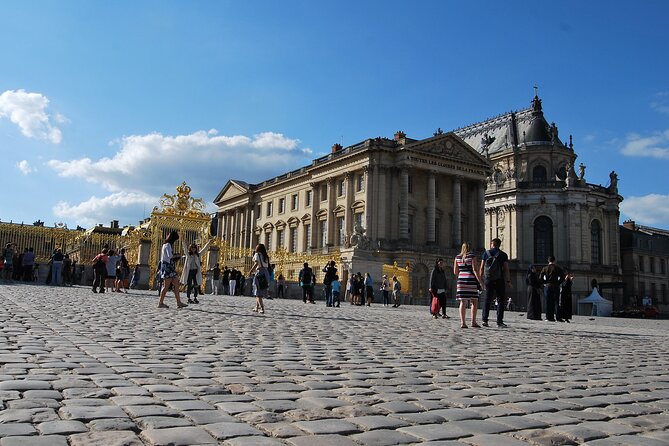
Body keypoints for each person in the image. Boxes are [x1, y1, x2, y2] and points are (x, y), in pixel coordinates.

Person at [479, 238, 512, 327]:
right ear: (499, 245)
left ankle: (485, 320)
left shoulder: (486, 253)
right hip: (499, 279)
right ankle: (499, 321)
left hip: (488, 279)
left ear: (492, 244)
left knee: (487, 299)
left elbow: (481, 267)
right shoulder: (503, 255)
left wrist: (480, 280)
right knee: (501, 300)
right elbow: (506, 269)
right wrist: (508, 281)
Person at [453, 243, 482, 328]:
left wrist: (462, 273)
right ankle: (473, 321)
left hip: (461, 280)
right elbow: (475, 269)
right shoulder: (472, 256)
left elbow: (455, 272)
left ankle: (463, 322)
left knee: (462, 301)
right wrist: (480, 281)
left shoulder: (457, 257)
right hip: (471, 279)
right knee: (474, 301)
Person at [158, 231, 187, 309]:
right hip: (168, 267)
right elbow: (170, 256)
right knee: (166, 286)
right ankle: (160, 303)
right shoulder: (168, 245)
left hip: (168, 267)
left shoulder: (165, 245)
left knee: (176, 284)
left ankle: (179, 302)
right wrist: (177, 255)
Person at [180, 239, 213, 304]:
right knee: (189, 285)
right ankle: (188, 298)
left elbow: (204, 249)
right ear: (190, 248)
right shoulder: (188, 255)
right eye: (192, 248)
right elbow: (185, 249)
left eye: (194, 248)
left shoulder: (198, 255)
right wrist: (183, 242)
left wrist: (208, 243)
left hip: (196, 272)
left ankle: (195, 297)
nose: (193, 249)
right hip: (189, 272)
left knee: (196, 285)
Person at [540, 256, 564, 322]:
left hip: (548, 286)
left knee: (548, 302)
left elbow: (540, 278)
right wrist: (558, 282)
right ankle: (558, 317)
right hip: (555, 286)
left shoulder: (545, 268)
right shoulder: (557, 268)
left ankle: (549, 317)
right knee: (556, 302)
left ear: (548, 261)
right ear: (554, 260)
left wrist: (545, 282)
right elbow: (562, 276)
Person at [249, 243, 271, 314]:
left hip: (260, 273)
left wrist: (250, 271)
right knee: (260, 292)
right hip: (266, 273)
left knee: (258, 293)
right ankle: (256, 307)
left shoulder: (257, 254)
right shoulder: (266, 256)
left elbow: (256, 264)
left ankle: (262, 308)